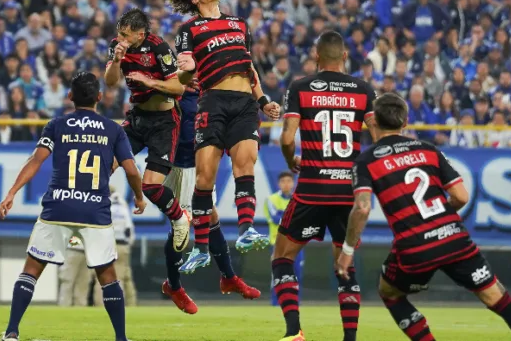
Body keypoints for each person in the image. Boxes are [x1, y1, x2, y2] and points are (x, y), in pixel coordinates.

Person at [337, 92, 511, 341]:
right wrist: (439, 219)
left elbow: (362, 208)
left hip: (415, 246)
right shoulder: (429, 150)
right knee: (497, 298)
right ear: (405, 123)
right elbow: (461, 196)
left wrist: (347, 250)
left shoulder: (366, 161)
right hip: (454, 237)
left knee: (389, 292)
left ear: (372, 122)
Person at [0, 72, 147, 341]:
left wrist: (11, 193)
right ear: (100, 97)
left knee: (31, 269)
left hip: (59, 207)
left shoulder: (57, 124)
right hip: (95, 211)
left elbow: (35, 161)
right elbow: (132, 170)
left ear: (70, 97)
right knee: (108, 276)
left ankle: (11, 331)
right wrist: (138, 196)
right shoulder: (114, 130)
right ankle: (121, 338)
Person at [165, 0, 281, 273]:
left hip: (244, 104)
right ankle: (201, 247)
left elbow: (249, 66)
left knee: (246, 163)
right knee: (205, 177)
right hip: (212, 102)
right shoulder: (188, 30)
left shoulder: (239, 24)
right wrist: (187, 70)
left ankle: (245, 231)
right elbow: (184, 75)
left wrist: (263, 100)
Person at [273, 31, 377, 341]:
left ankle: (294, 331)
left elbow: (288, 138)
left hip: (312, 190)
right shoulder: (363, 89)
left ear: (316, 57)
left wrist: (293, 160)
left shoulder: (300, 88)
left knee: (282, 258)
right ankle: (349, 338)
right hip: (347, 191)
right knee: (344, 264)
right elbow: (378, 135)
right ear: (345, 56)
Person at [161, 82, 261, 314]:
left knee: (209, 214)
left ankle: (228, 277)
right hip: (178, 164)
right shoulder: (175, 86)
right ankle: (174, 285)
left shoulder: (214, 90)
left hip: (200, 164)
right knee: (183, 224)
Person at [104, 8, 191, 254]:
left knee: (151, 187)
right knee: (103, 166)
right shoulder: (116, 47)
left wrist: (150, 82)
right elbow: (110, 83)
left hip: (164, 121)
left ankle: (180, 218)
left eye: (126, 34)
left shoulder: (158, 48)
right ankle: (93, 222)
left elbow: (179, 88)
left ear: (141, 34)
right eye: (119, 33)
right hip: (137, 118)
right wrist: (118, 60)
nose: (121, 38)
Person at [264, 171, 302, 307]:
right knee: (278, 275)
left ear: (293, 183)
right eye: (283, 181)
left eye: (289, 181)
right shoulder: (271, 200)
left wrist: (287, 217)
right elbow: (275, 219)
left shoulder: (299, 200)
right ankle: (275, 303)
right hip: (277, 244)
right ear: (278, 184)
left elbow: (302, 219)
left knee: (296, 275)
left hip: (297, 243)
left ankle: (295, 304)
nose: (286, 184)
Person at [94, 190, 138, 307]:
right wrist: (128, 244)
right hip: (123, 245)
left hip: (107, 246)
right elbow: (129, 229)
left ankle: (102, 305)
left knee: (104, 277)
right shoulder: (123, 207)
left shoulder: (103, 206)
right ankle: (130, 305)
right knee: (125, 276)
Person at [57, 236, 91, 307]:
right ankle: (63, 308)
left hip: (88, 251)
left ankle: (80, 309)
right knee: (67, 281)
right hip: (73, 248)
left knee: (83, 283)